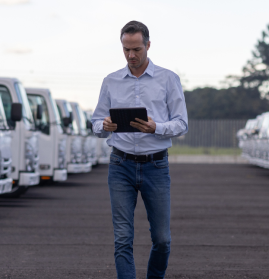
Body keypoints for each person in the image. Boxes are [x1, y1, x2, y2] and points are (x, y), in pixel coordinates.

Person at [91, 20, 188, 279]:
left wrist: (156, 127)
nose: (131, 55)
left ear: (148, 45)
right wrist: (105, 125)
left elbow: (181, 124)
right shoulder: (110, 81)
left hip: (156, 166)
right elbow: (95, 124)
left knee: (162, 239)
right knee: (123, 238)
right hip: (120, 165)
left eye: (136, 49)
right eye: (126, 50)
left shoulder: (168, 79)